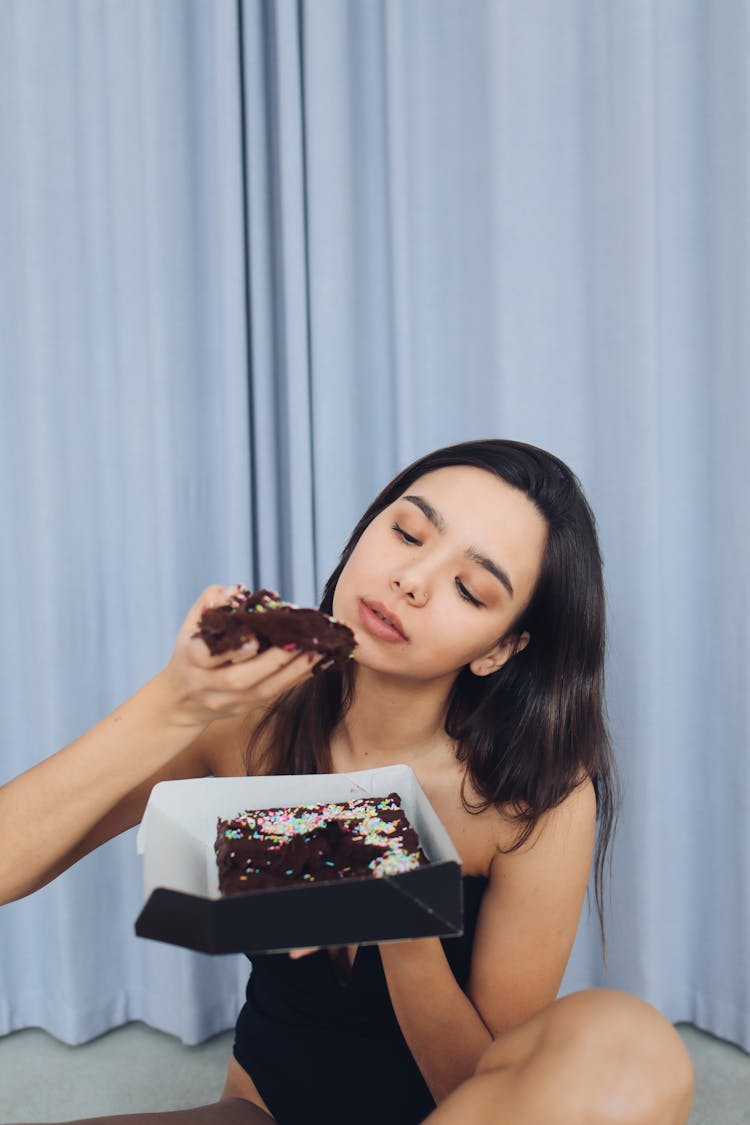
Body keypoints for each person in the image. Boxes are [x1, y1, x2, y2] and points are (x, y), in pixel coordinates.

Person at [0, 440, 694, 1125]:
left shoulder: (531, 797)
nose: (412, 580)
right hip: (263, 1112)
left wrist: (399, 915)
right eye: (407, 531)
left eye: (469, 588)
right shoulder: (243, 714)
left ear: (499, 648)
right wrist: (172, 705)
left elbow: (497, 1093)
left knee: (630, 1047)